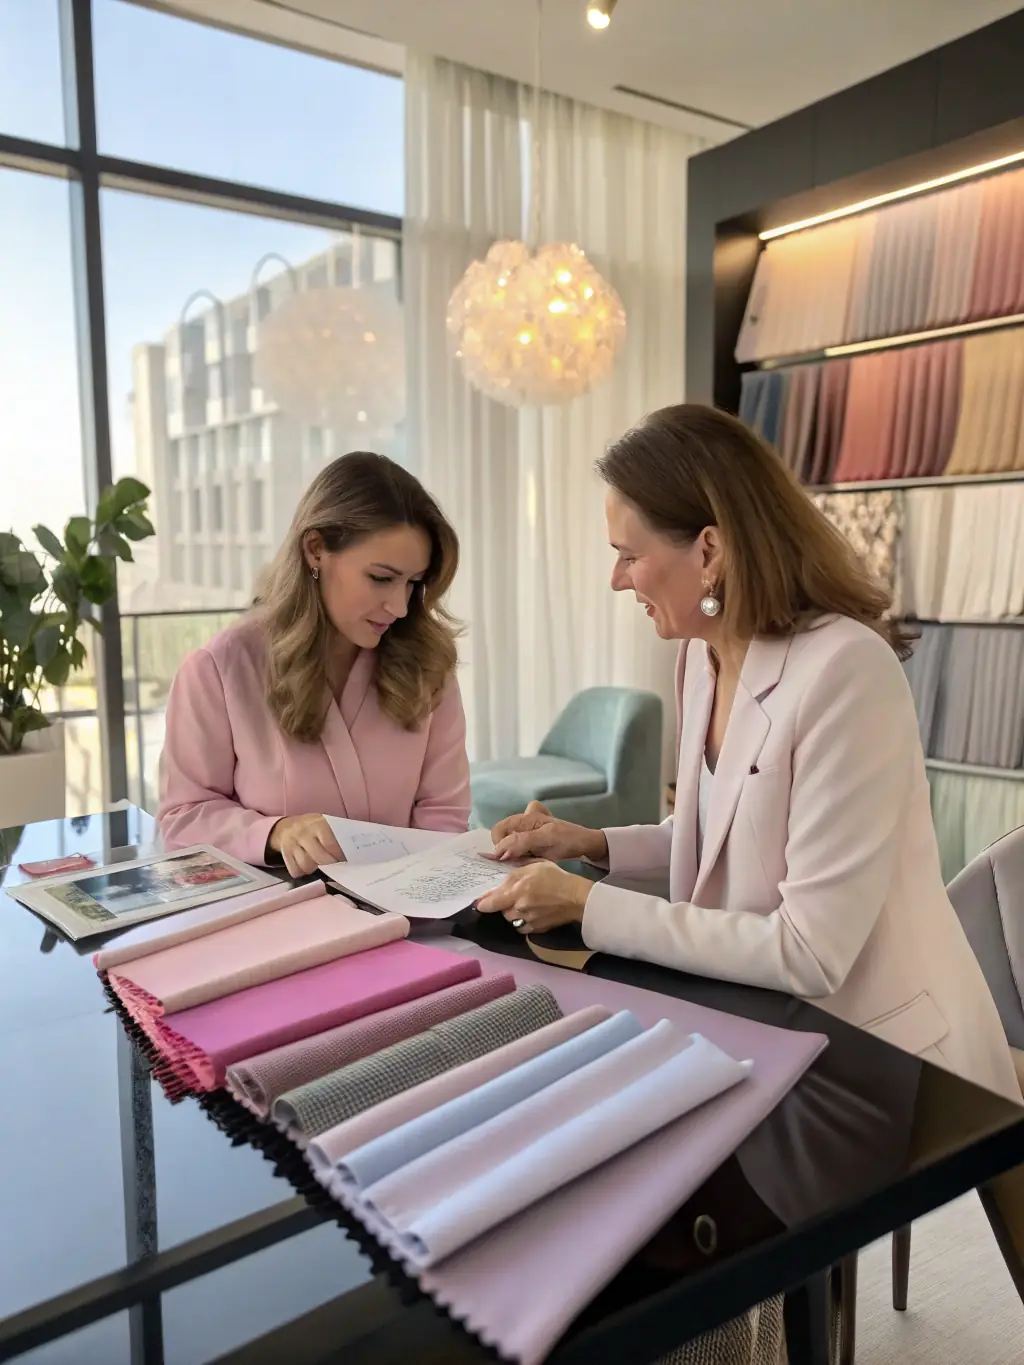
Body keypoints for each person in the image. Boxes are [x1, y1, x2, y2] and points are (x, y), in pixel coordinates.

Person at [478, 403, 1020, 1104]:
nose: (617, 579)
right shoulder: (700, 659)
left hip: (885, 1055)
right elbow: (724, 835)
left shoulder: (846, 670)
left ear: (709, 552)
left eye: (629, 555)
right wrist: (590, 843)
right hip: (763, 1021)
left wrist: (589, 905)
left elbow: (809, 949)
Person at [157, 452, 470, 878]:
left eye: (413, 583)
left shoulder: (428, 665)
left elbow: (444, 817)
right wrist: (276, 832)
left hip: (405, 907)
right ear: (316, 549)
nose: (399, 607)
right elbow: (183, 817)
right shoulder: (219, 670)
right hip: (277, 909)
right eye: (381, 578)